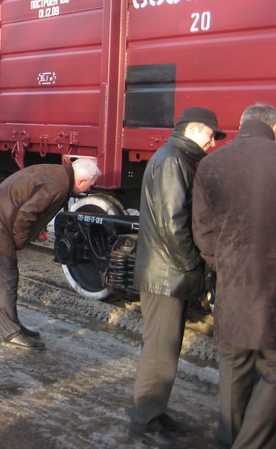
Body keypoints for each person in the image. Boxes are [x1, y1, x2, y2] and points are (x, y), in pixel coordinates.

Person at [128, 106, 226, 449]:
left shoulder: (174, 158)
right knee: (160, 349)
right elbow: (174, 223)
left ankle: (153, 412)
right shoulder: (172, 161)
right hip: (167, 273)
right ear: (192, 130)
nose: (212, 143)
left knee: (163, 348)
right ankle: (144, 421)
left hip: (165, 271)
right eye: (210, 134)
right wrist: (193, 267)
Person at [192, 103, 276, 449]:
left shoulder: (211, 163)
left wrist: (223, 264)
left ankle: (229, 438)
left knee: (234, 364)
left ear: (242, 125)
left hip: (233, 281)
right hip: (271, 286)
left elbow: (203, 232)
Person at [0, 158, 101, 350]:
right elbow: (27, 213)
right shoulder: (58, 183)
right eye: (91, 184)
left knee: (6, 278)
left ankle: (13, 326)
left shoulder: (59, 174)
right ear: (81, 181)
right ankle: (11, 333)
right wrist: (20, 240)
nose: (91, 187)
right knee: (6, 279)